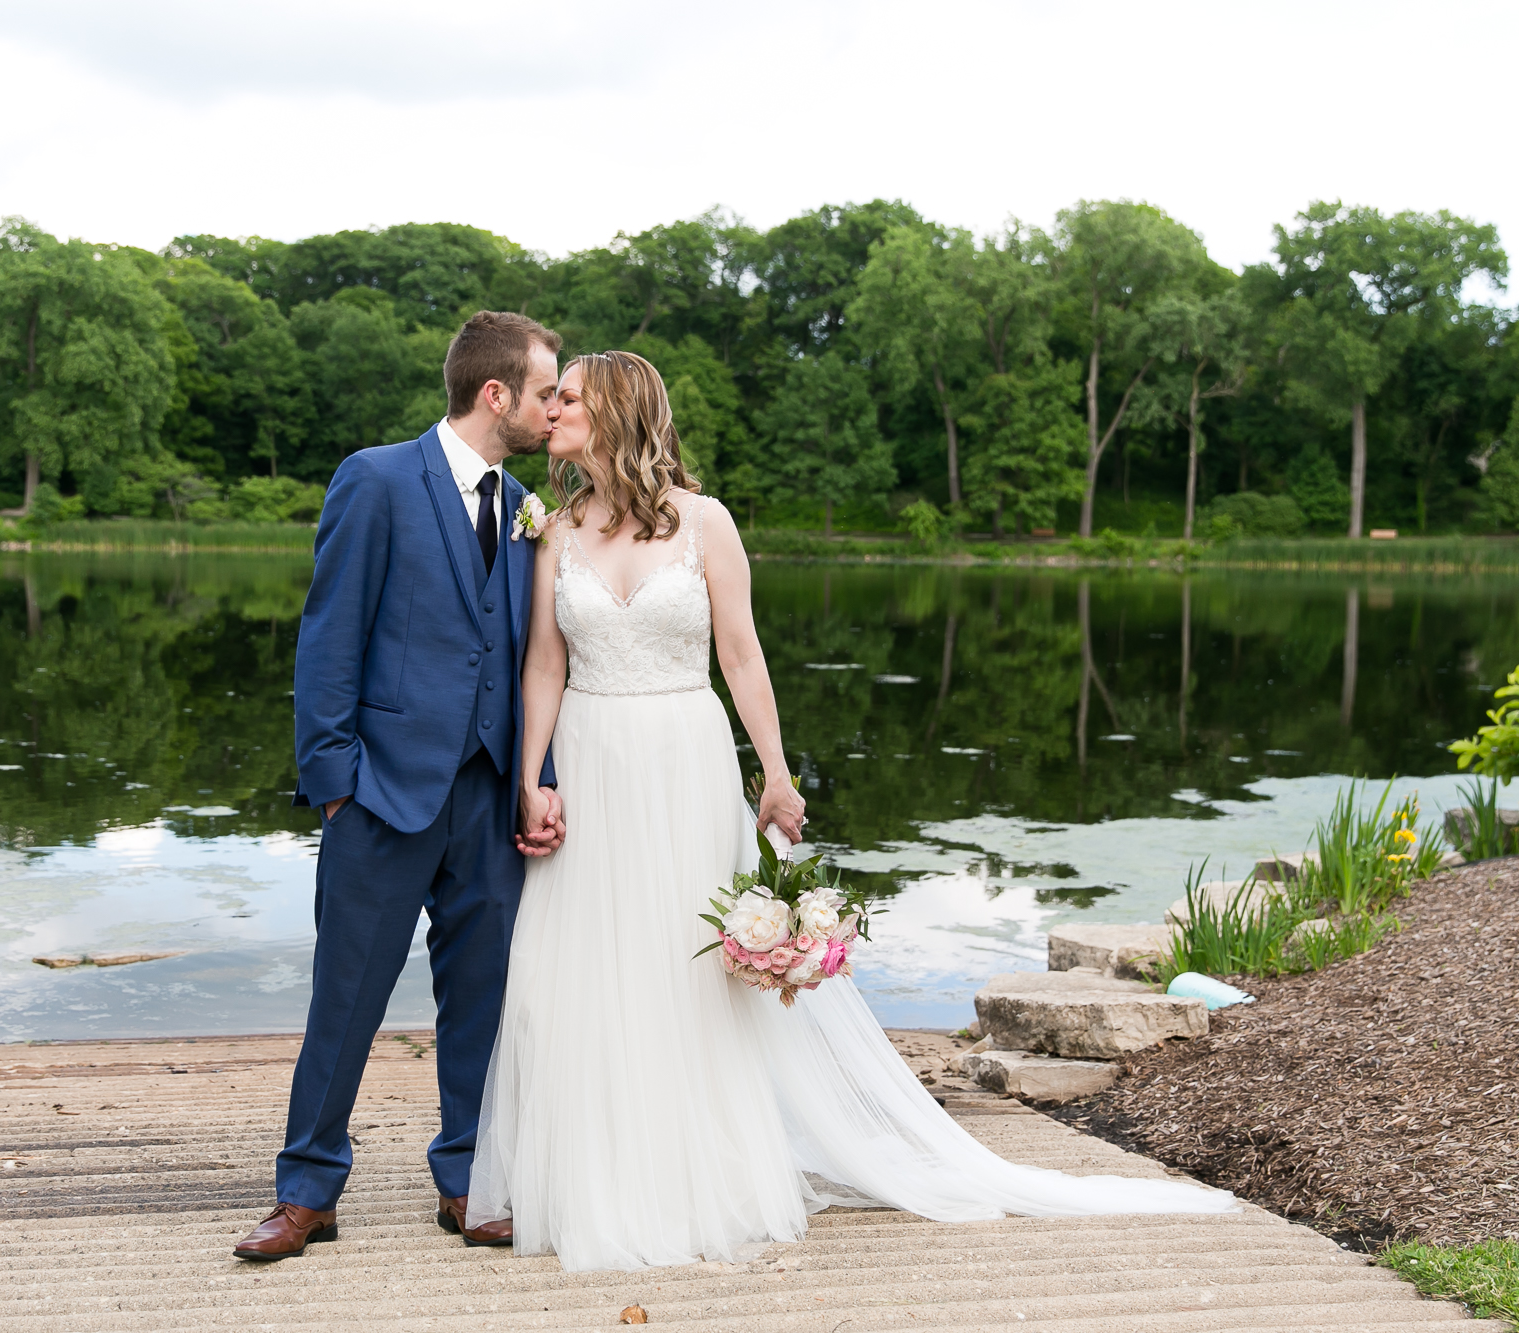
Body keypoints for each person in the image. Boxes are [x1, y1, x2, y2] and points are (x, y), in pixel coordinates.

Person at [465, 349, 1241, 1272]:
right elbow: (544, 665)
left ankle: (699, 1166)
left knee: (686, 968)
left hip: (683, 760)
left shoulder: (704, 524)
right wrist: (530, 778)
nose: (552, 410)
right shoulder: (553, 530)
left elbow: (743, 658)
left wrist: (778, 774)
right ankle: (595, 1171)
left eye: (572, 398)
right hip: (590, 760)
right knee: (587, 967)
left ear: (621, 411)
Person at [234, 312, 567, 1261]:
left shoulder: (528, 507)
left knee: (484, 996)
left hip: (489, 796)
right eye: (546, 391)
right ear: (495, 394)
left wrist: (534, 780)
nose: (555, 408)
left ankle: (467, 1177)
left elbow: (535, 658)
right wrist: (335, 781)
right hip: (381, 793)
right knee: (345, 994)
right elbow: (328, 635)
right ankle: (307, 1190)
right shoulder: (376, 478)